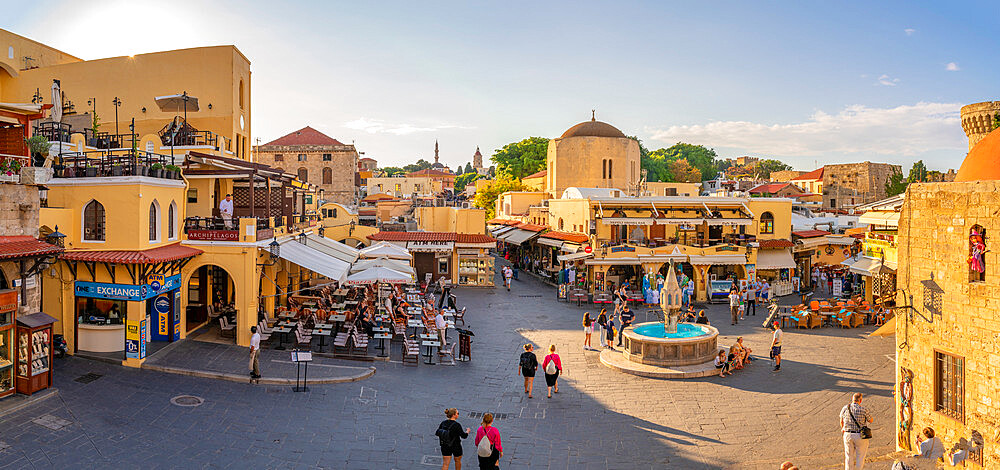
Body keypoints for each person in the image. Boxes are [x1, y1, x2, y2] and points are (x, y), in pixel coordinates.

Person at [840, 392, 874, 470]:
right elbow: (871, 420)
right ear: (860, 400)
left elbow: (841, 421)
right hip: (860, 435)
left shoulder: (845, 408)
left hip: (848, 434)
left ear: (852, 399)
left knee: (848, 457)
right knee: (860, 457)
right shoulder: (863, 409)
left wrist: (843, 428)